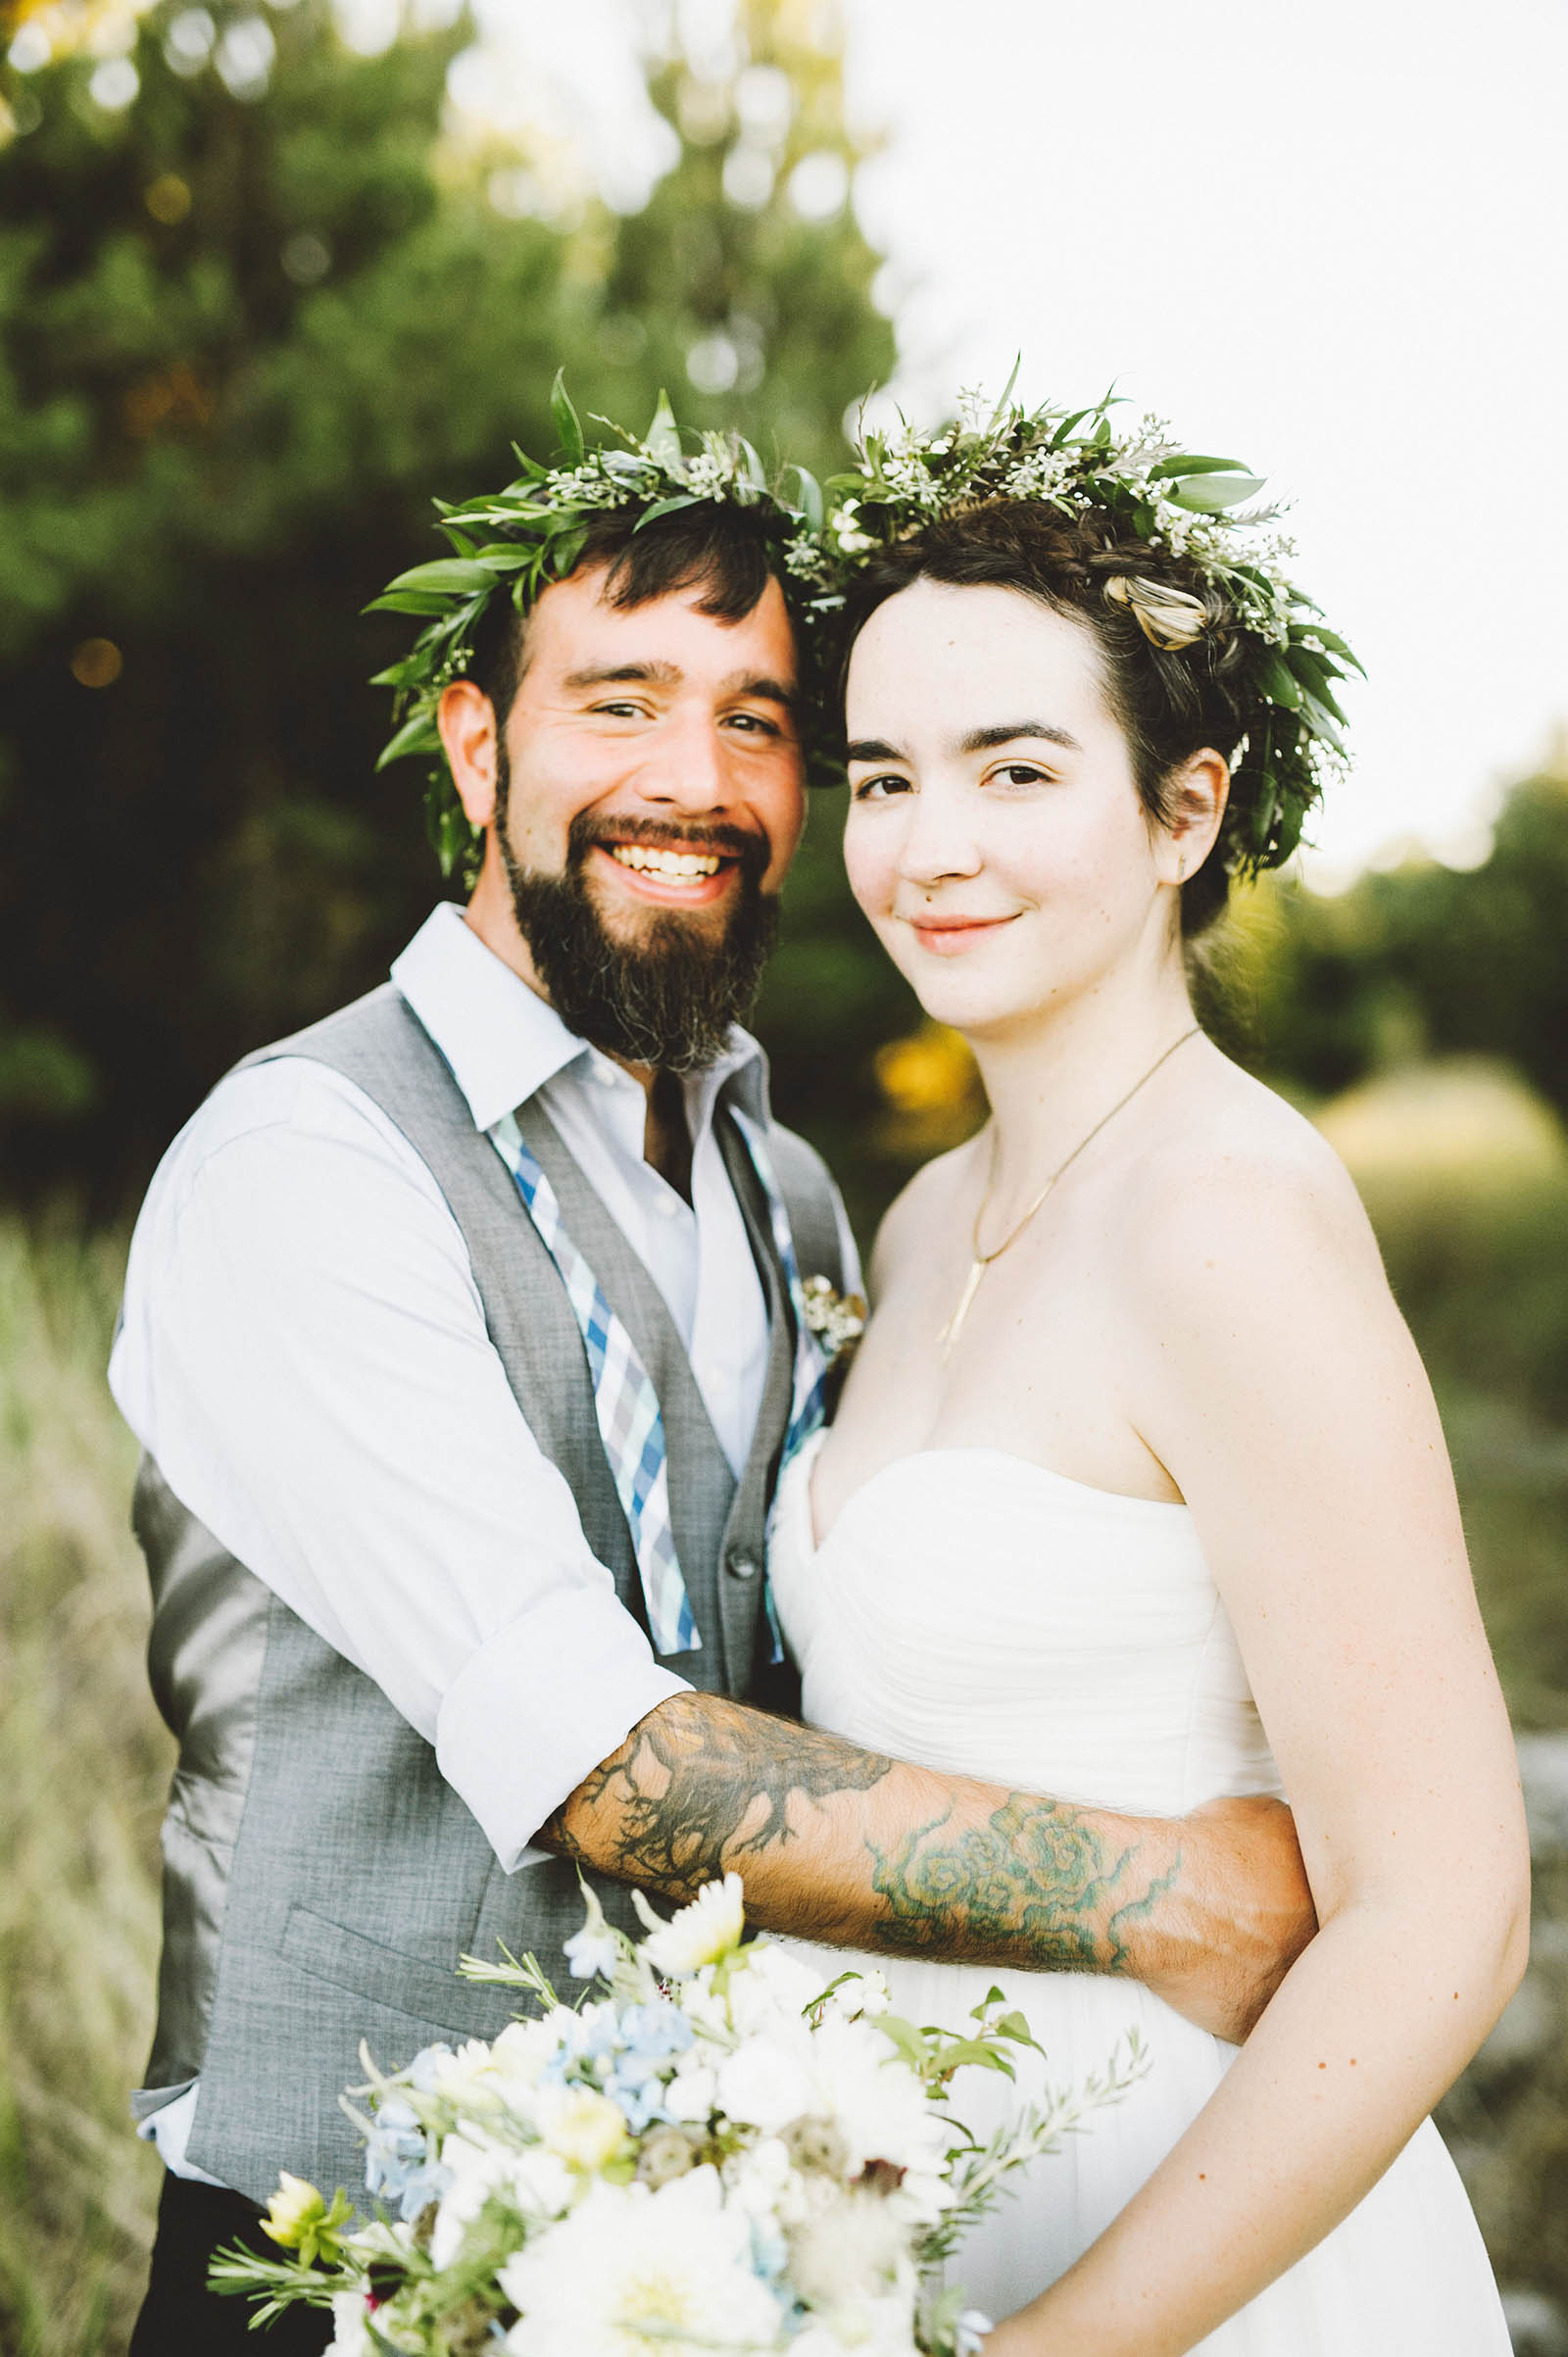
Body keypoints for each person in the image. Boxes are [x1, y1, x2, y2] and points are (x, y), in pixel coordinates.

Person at [112, 403, 1313, 2353]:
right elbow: (610, 1768)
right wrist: (1169, 1890)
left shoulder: (796, 1191)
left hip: (718, 2261)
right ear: (478, 743)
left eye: (755, 719)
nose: (697, 779)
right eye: (621, 699)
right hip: (331, 2269)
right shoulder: (303, 1167)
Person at [765, 394, 1530, 2353]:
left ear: (1182, 808)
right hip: (891, 2206)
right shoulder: (921, 1215)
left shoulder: (1226, 1217)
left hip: (1176, 2242)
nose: (926, 849)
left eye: (1012, 772)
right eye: (877, 779)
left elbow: (1438, 1915)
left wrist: (1062, 2347)